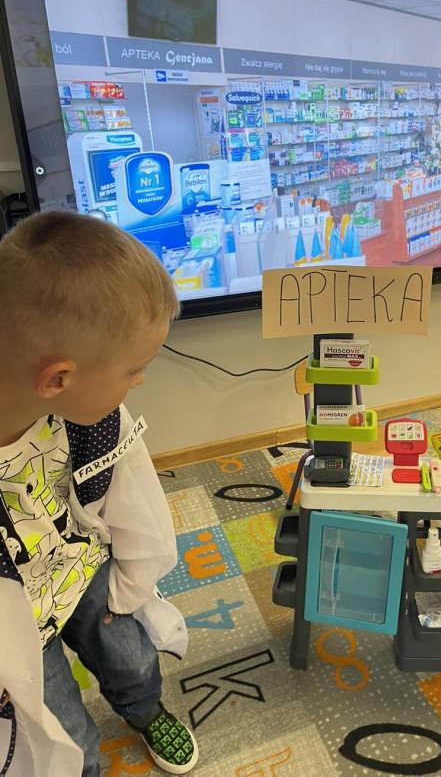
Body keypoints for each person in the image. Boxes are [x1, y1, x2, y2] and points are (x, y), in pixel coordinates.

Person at [0, 212, 198, 776]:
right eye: (134, 370)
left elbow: (135, 501)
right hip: (16, 625)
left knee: (131, 659)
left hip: (81, 567)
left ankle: (145, 709)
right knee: (62, 734)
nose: (139, 382)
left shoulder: (92, 419)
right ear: (58, 379)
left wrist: (132, 582)